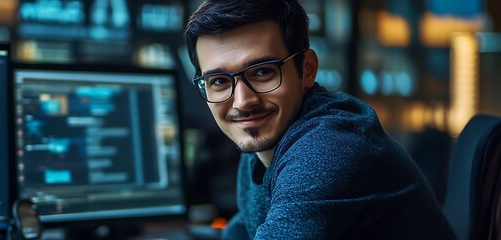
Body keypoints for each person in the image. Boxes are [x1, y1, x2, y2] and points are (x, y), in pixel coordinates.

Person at [183, 0, 457, 239]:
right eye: (218, 81)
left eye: (263, 72)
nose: (243, 102)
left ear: (307, 70)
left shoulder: (328, 147)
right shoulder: (262, 142)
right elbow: (242, 231)